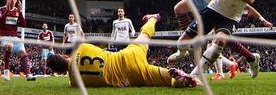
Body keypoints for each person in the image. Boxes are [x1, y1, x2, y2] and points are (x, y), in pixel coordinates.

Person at [47, 14, 197, 88]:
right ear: (63, 55)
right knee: (144, 36)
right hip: (126, 56)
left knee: (162, 78)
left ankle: (178, 79)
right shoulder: (83, 48)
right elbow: (102, 51)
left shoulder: (75, 83)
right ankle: (153, 18)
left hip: (130, 77)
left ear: (60, 72)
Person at [0, 0, 36, 81]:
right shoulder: (1, 9)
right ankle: (6, 71)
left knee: (22, 52)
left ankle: (28, 75)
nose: (13, 1)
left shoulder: (17, 11)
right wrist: (7, 11)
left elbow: (23, 25)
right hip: (3, 36)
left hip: (14, 37)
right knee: (9, 45)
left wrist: (20, 12)